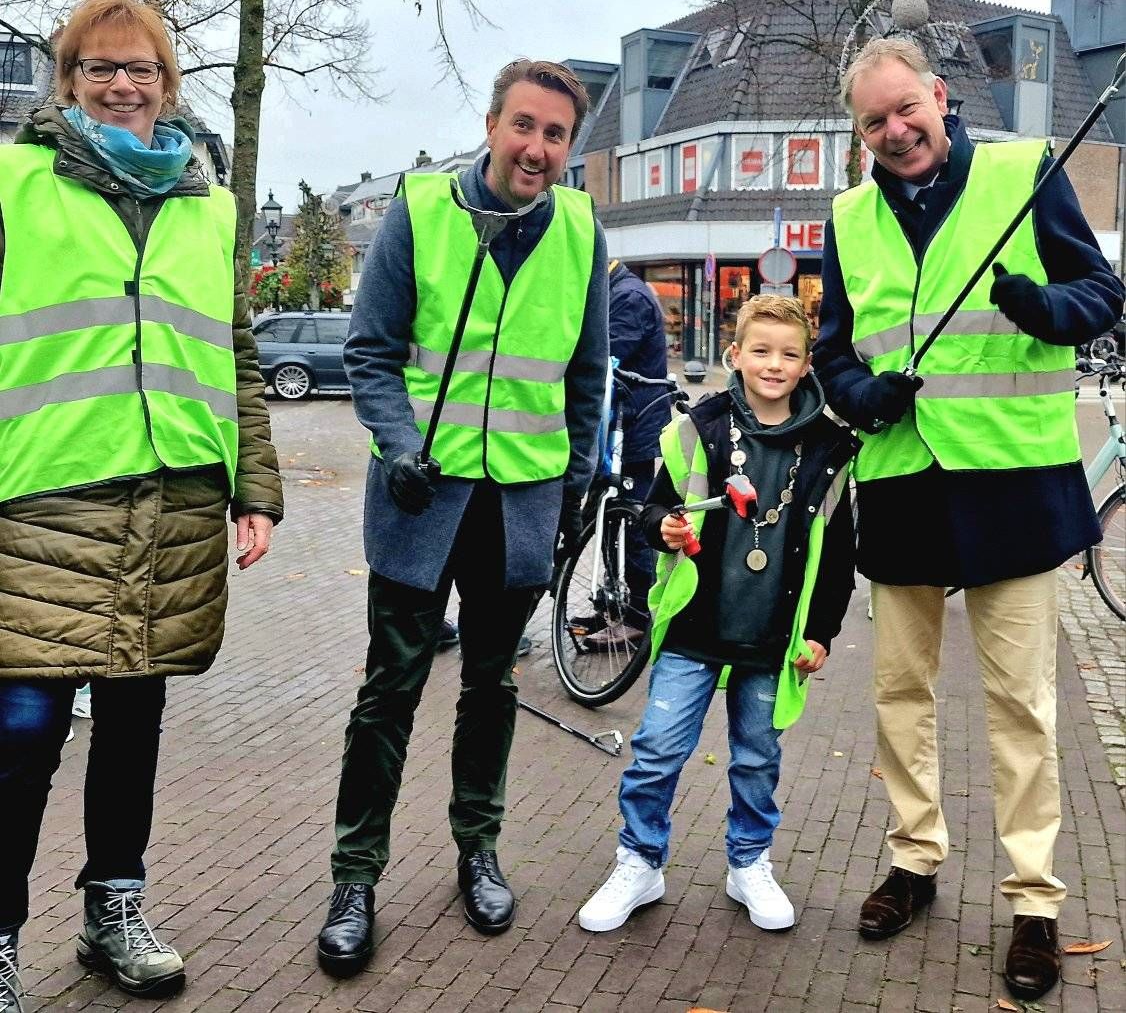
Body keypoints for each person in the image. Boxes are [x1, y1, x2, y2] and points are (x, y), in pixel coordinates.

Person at [814, 37, 1124, 1002]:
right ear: (859, 132)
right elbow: (833, 351)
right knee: (900, 695)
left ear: (939, 97)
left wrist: (1044, 307)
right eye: (874, 121)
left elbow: (1102, 295)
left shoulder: (1022, 173)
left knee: (1020, 704)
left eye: (906, 108)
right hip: (902, 482)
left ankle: (1034, 900)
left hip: (1012, 484)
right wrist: (861, 395)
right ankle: (914, 860)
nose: (895, 130)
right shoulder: (848, 216)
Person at [0, 0, 283, 1009]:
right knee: (22, 732)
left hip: (173, 501)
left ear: (168, 84)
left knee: (133, 723)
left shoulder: (208, 202)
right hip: (43, 496)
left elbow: (232, 352)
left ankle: (113, 907)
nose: (123, 85)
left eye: (142, 69)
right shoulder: (14, 183)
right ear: (67, 80)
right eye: (100, 67)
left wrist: (255, 486)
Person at [316, 59, 608, 976]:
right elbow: (370, 351)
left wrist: (576, 491)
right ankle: (354, 877)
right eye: (524, 125)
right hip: (423, 495)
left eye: (555, 134)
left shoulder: (580, 230)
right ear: (491, 126)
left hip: (518, 503)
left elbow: (585, 378)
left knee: (492, 688)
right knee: (390, 692)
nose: (537, 148)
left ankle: (478, 850)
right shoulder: (421, 210)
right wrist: (398, 442)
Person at [578, 295, 856, 934]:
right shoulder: (697, 428)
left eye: (789, 354)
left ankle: (749, 863)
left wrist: (821, 632)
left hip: (773, 636)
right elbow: (654, 509)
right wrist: (663, 527)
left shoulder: (829, 446)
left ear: (807, 364)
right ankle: (640, 861)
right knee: (656, 750)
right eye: (761, 350)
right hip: (695, 627)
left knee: (757, 758)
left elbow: (840, 552)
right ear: (735, 355)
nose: (774, 364)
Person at [575, 259, 670, 647]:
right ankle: (613, 607)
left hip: (632, 427)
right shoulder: (619, 291)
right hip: (619, 427)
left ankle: (636, 617)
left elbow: (602, 359)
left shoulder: (628, 297)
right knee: (608, 519)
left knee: (631, 523)